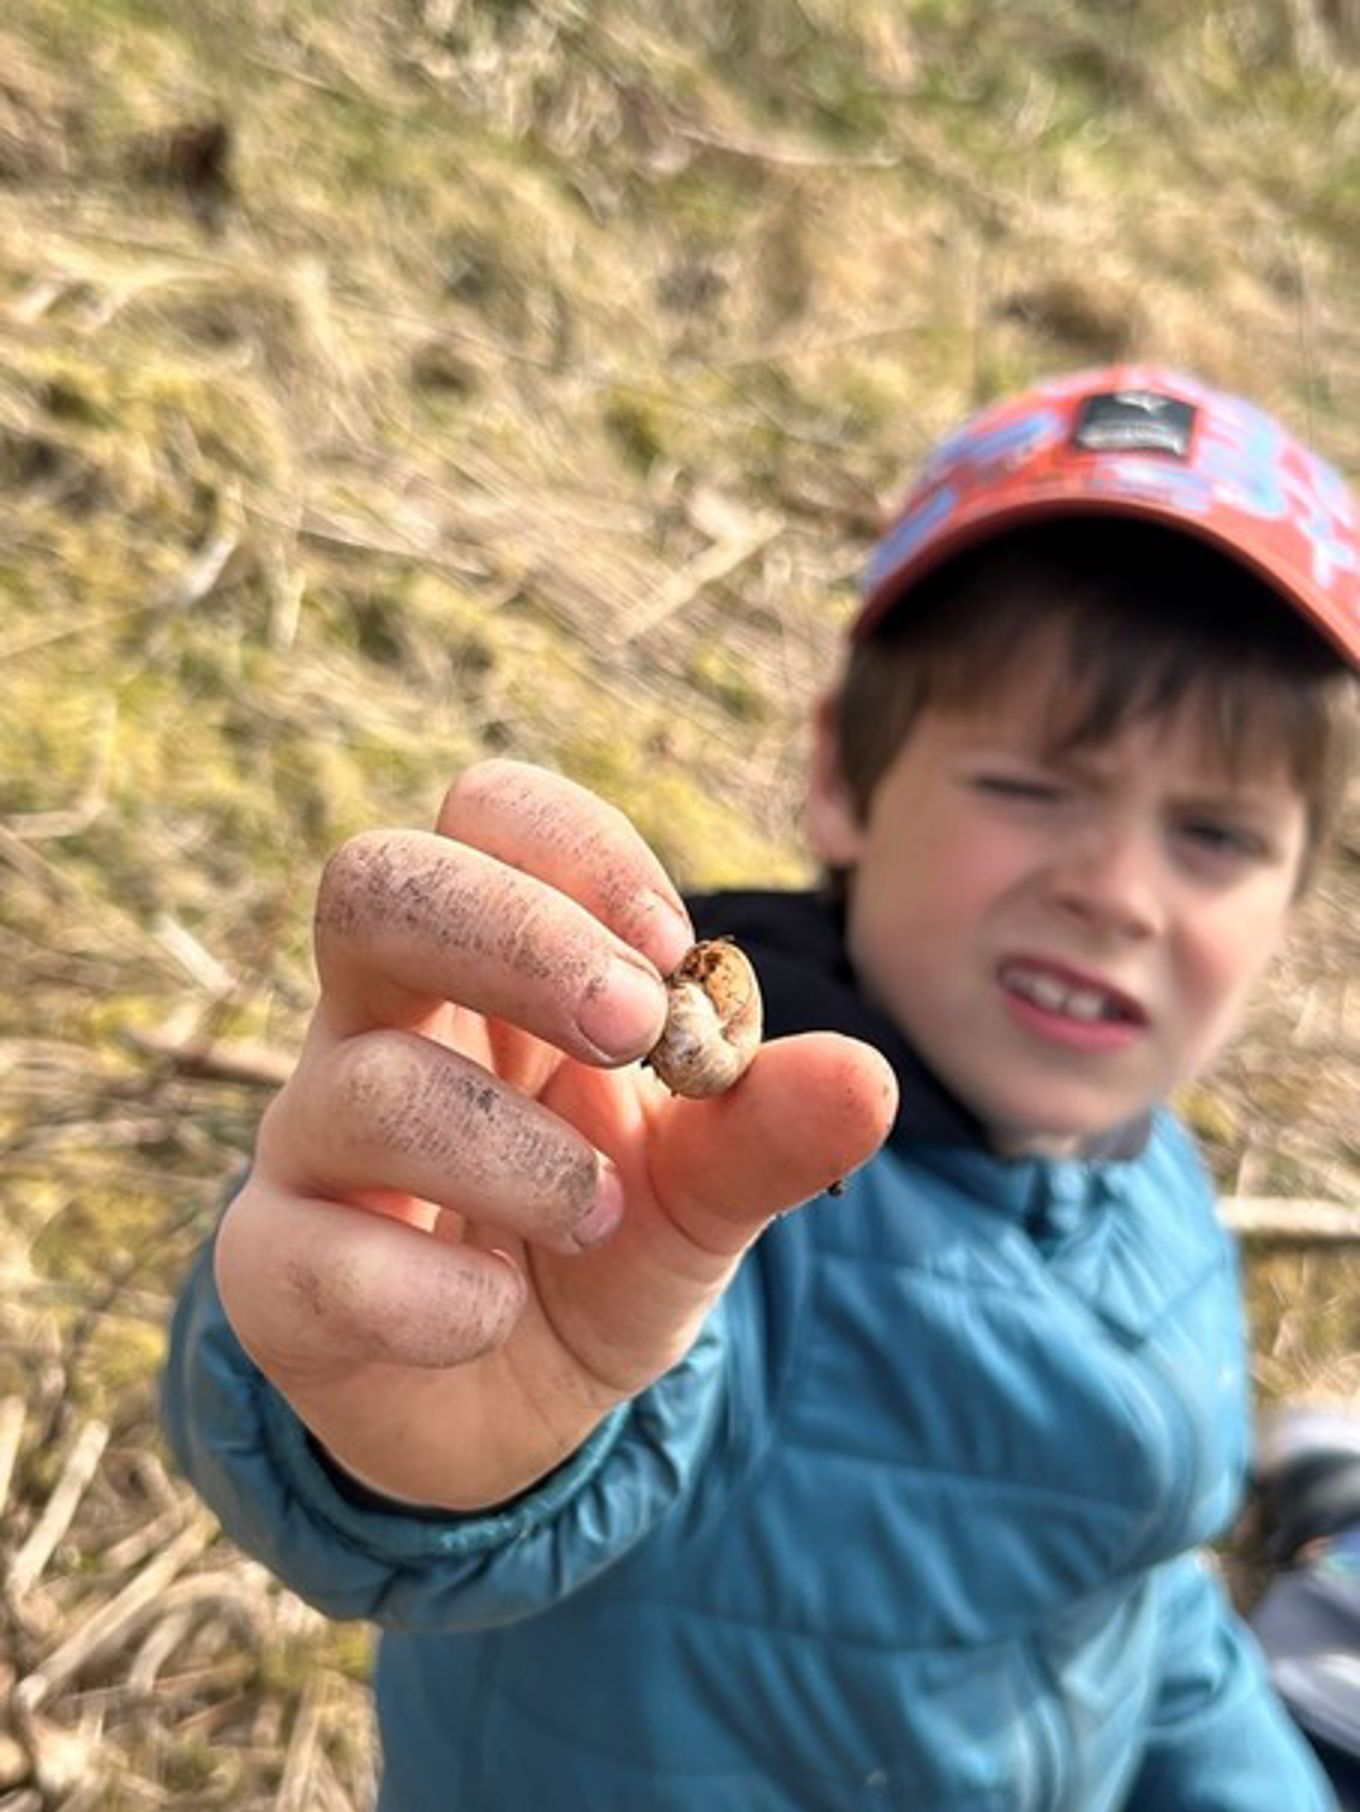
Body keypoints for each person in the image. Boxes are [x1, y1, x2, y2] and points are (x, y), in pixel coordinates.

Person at [162, 364, 1360, 1811]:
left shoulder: (1156, 1188)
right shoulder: (696, 1181)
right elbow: (583, 1398)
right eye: (1032, 787)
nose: (1115, 892)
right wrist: (389, 1403)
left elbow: (1129, 1606)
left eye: (1217, 835)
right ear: (842, 783)